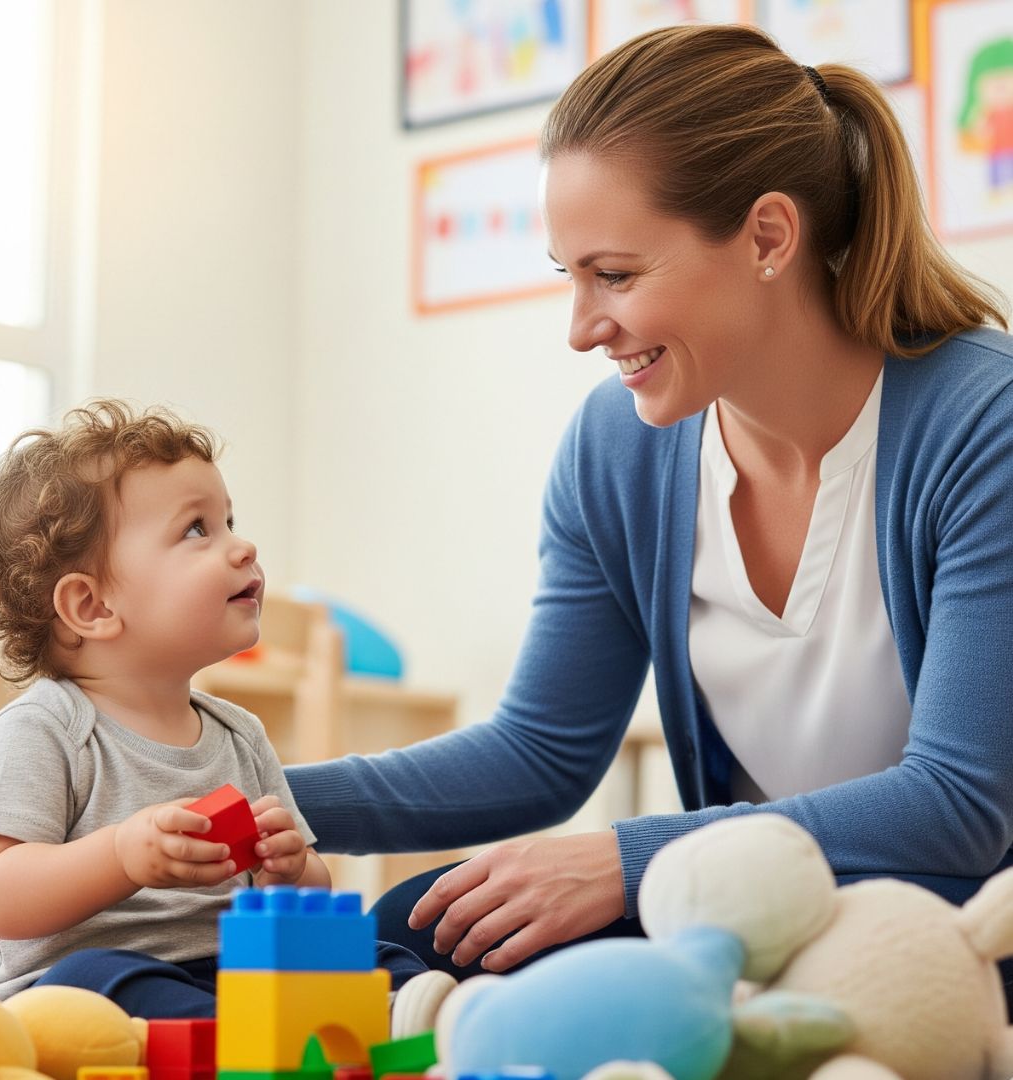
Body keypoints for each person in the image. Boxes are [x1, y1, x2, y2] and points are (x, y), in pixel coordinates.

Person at [282, 22, 1013, 1004]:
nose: (582, 329)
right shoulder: (616, 451)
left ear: (767, 237)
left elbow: (961, 806)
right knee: (413, 932)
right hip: (742, 917)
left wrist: (626, 863)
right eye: (569, 277)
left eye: (614, 276)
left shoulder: (983, 425)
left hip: (960, 922)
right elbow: (541, 749)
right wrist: (262, 805)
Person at [0, 400, 426, 1016]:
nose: (242, 545)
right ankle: (266, 1035)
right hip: (84, 990)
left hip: (233, 973)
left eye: (229, 520)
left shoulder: (239, 733)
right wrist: (122, 854)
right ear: (92, 607)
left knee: (373, 951)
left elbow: (306, 886)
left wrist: (291, 871)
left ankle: (410, 1012)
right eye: (197, 530)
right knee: (96, 976)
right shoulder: (43, 732)